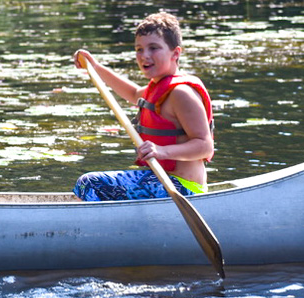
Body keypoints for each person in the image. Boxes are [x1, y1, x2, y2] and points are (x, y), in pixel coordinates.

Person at [72, 12, 214, 201]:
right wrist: (95, 67)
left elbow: (205, 146)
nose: (144, 56)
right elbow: (132, 94)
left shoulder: (181, 93)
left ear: (176, 53)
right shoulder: (157, 88)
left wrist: (162, 151)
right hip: (160, 181)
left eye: (153, 48)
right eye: (139, 49)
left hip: (182, 188)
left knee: (89, 183)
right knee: (92, 185)